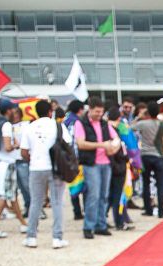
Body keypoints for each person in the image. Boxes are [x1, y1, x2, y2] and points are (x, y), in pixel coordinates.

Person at [20, 99, 70, 249]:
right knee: (57, 202)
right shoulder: (57, 126)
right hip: (55, 167)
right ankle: (57, 237)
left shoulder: (30, 127)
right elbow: (68, 143)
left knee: (36, 202)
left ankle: (31, 236)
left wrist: (33, 158)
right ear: (50, 111)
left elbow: (23, 151)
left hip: (36, 167)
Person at [74, 96, 120, 238]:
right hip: (91, 164)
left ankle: (101, 224)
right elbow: (81, 143)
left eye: (101, 112)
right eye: (97, 112)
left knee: (104, 196)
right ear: (90, 109)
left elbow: (116, 138)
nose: (99, 114)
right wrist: (101, 145)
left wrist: (113, 148)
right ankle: (89, 226)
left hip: (106, 163)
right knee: (93, 195)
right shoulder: (81, 123)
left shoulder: (105, 124)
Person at [0, 100, 26, 237]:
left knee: (12, 195)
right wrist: (17, 144)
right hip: (7, 163)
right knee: (4, 196)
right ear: (9, 110)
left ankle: (23, 223)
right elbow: (8, 147)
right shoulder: (6, 125)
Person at [133, 102, 163, 219]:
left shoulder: (142, 124)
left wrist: (139, 116)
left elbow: (130, 128)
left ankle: (148, 209)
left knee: (146, 183)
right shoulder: (162, 124)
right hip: (158, 155)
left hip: (145, 155)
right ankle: (161, 211)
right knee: (160, 184)